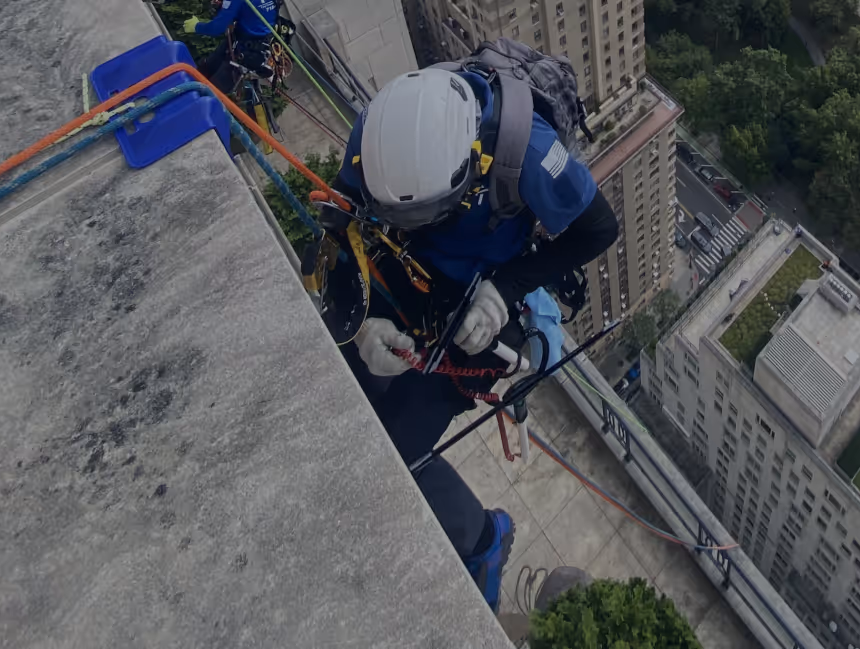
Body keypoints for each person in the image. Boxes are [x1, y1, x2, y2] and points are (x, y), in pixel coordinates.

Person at [329, 67, 618, 609]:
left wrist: (505, 290)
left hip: (479, 305)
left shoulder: (524, 150)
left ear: (469, 176)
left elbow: (599, 228)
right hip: (408, 271)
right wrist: (361, 324)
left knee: (397, 445)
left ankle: (484, 540)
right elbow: (335, 224)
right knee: (347, 373)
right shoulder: (375, 138)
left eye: (425, 213)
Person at [183, 0, 281, 92]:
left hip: (241, 54)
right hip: (258, 49)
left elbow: (216, 28)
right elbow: (253, 14)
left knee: (210, 92)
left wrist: (196, 26)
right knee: (204, 71)